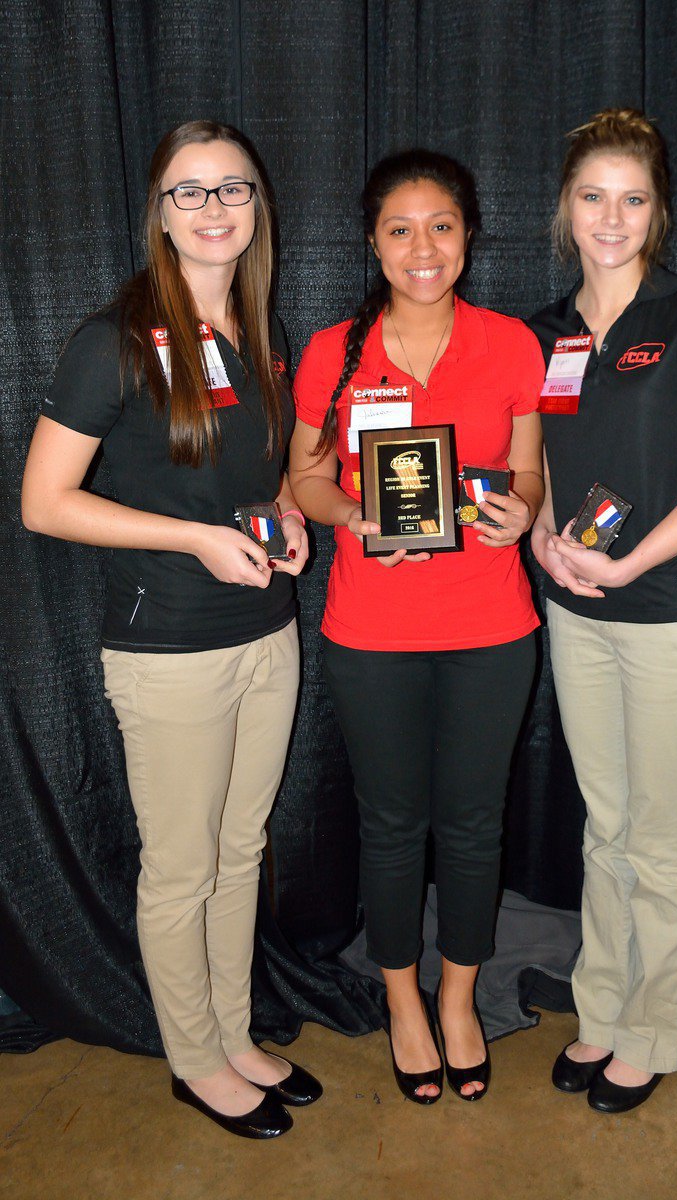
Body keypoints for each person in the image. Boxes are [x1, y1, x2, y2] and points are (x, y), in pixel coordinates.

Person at [21, 120, 321, 1139]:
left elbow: (263, 476)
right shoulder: (112, 340)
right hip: (170, 650)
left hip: (267, 633)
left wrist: (285, 518)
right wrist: (193, 540)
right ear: (158, 213)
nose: (212, 207)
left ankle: (232, 1034)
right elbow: (44, 503)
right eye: (188, 191)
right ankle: (194, 1060)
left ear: (257, 208)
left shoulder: (260, 333)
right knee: (184, 866)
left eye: (232, 188)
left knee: (241, 849)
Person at [289, 149, 545, 1103]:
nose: (422, 247)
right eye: (400, 229)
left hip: (491, 626)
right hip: (372, 630)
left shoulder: (511, 344)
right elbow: (305, 478)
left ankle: (460, 999)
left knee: (475, 825)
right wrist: (355, 517)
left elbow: (530, 472)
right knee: (391, 826)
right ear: (373, 242)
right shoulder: (333, 352)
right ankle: (403, 999)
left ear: (468, 234)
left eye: (441, 225)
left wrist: (521, 510)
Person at [529, 108, 677, 1113]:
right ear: (565, 208)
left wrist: (632, 564)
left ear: (657, 210)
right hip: (577, 614)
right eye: (593, 197)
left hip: (669, 615)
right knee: (605, 824)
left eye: (632, 199)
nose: (611, 218)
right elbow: (541, 466)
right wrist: (542, 538)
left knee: (659, 836)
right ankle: (601, 1008)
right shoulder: (546, 333)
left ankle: (652, 1032)